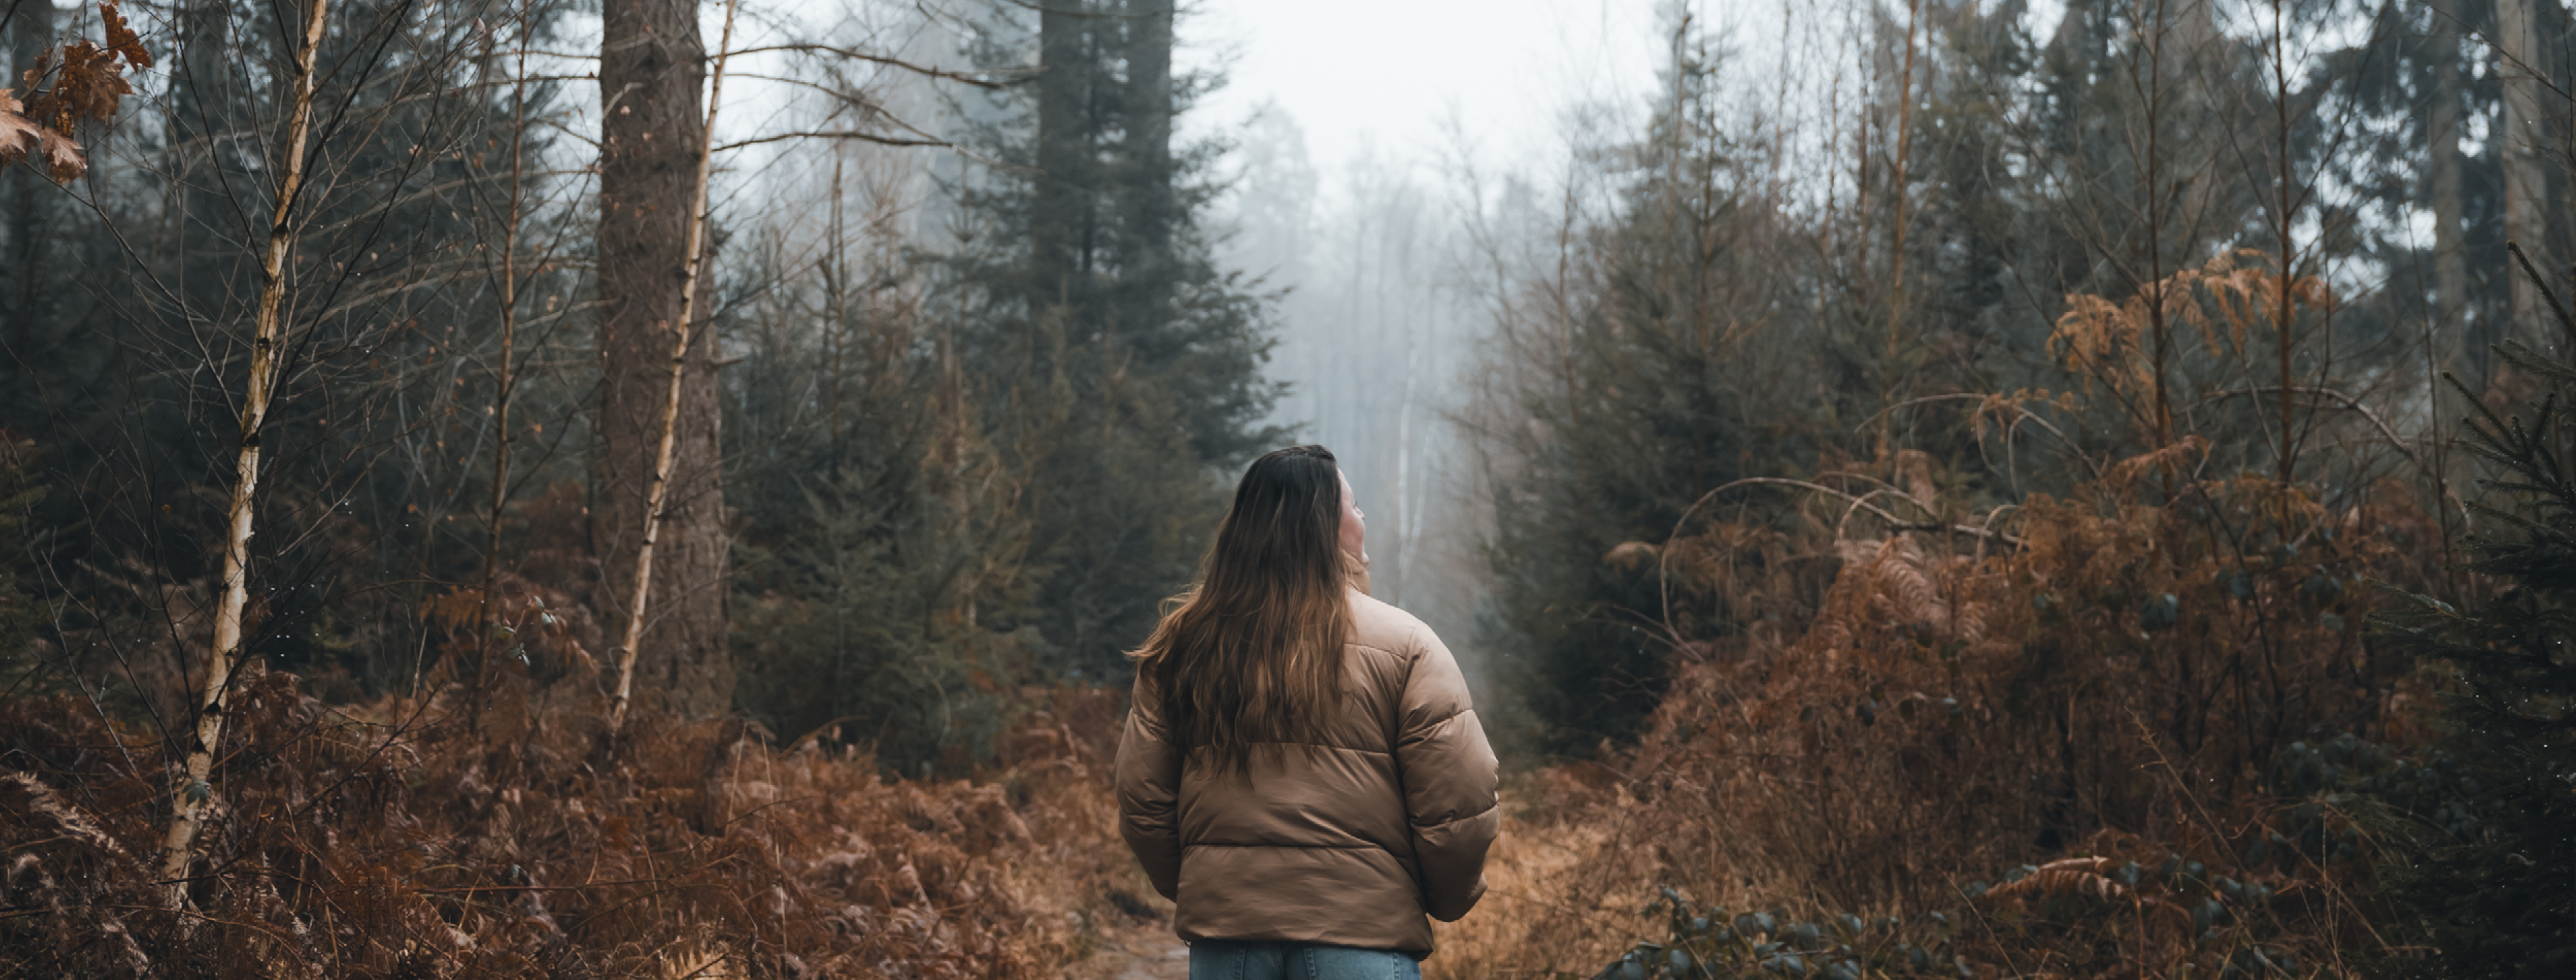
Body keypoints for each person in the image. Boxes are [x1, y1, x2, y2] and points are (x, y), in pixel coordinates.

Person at [1115, 444, 1500, 980]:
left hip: (1229, 938)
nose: (1363, 518)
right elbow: (1458, 798)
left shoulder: (1182, 644)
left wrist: (1211, 884)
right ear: (1324, 527)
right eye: (1354, 506)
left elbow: (1142, 799)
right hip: (1361, 930)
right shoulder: (1407, 644)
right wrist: (1439, 897)